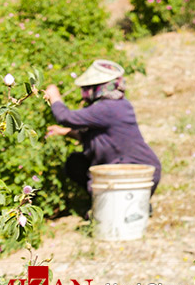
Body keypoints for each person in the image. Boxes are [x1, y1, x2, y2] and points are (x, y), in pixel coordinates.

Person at [44, 59, 161, 196]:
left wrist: (54, 97)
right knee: (75, 162)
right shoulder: (117, 104)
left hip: (138, 174)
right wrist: (64, 132)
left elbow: (65, 117)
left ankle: (113, 208)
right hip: (132, 170)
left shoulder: (108, 108)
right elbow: (98, 138)